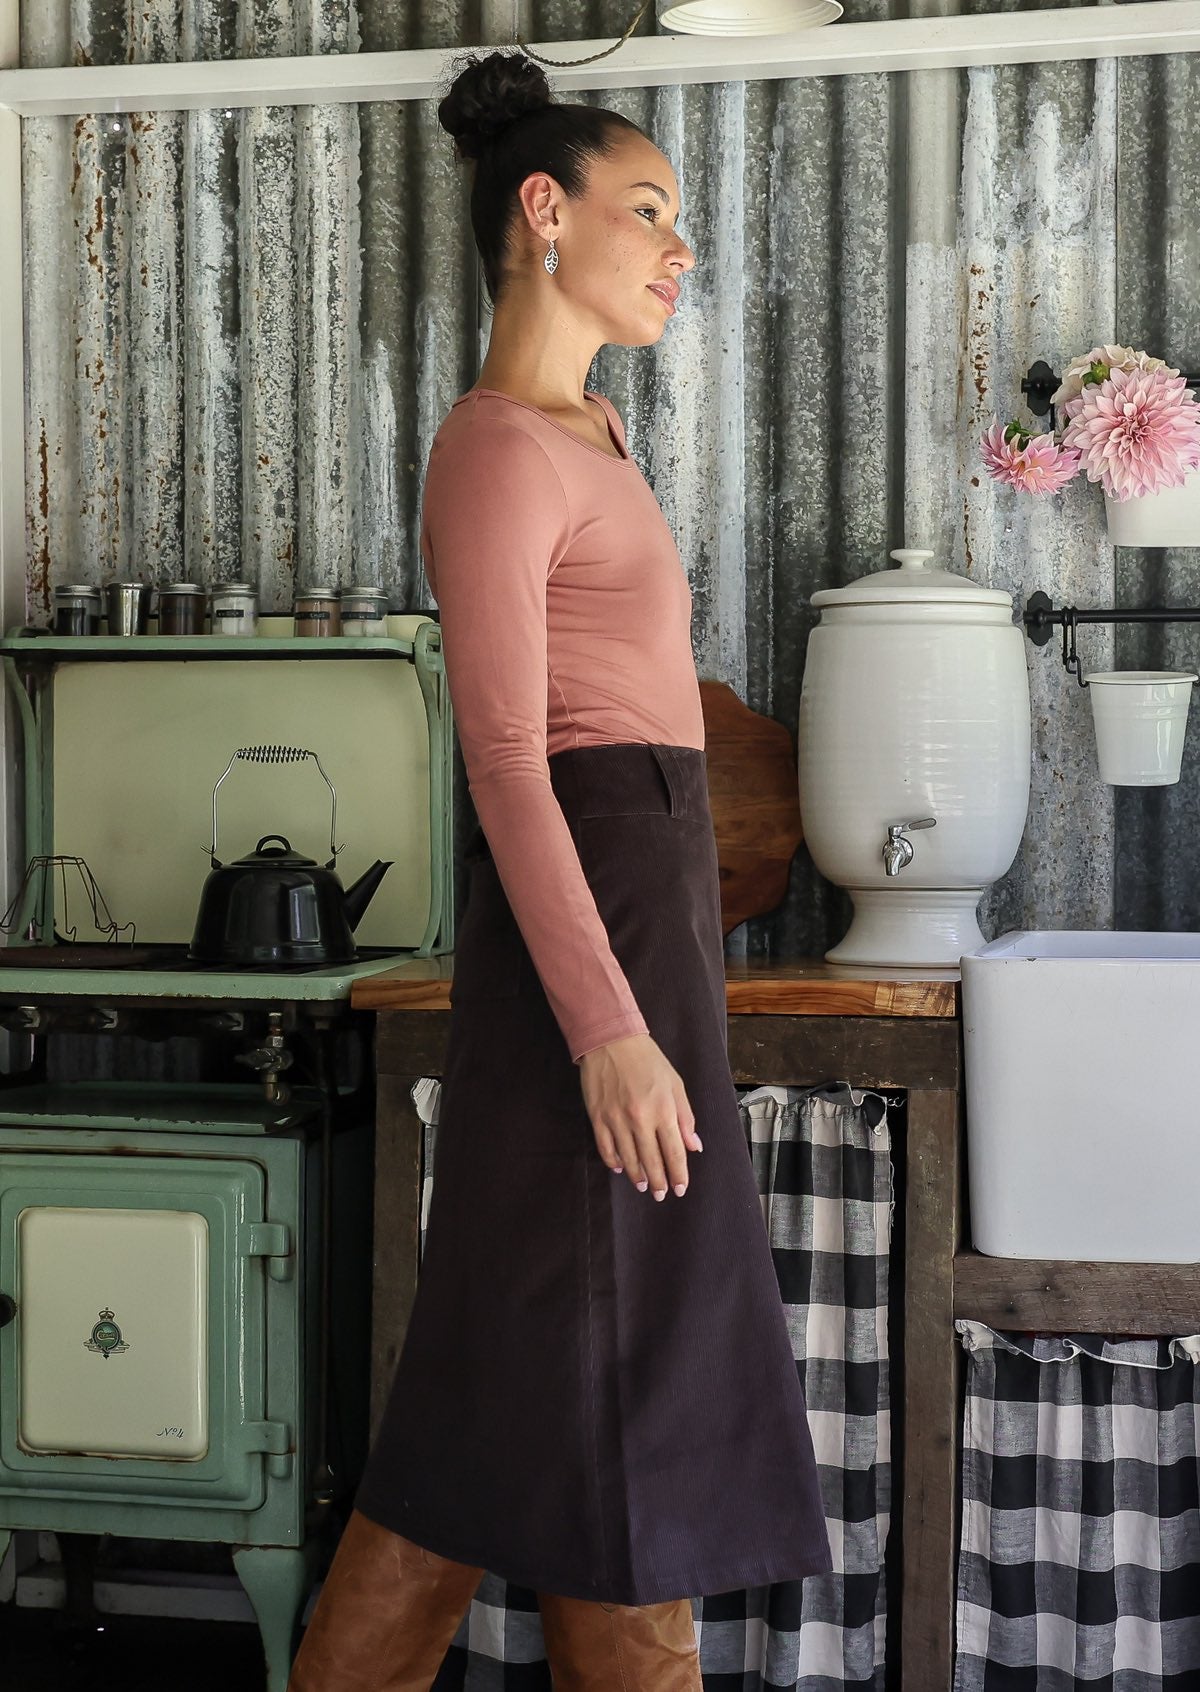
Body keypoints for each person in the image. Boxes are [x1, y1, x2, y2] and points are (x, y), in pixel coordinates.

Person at [287, 46, 831, 1692]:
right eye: (647, 210)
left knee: (528, 1392)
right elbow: (512, 765)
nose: (680, 249)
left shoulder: (591, 430)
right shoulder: (496, 451)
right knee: (601, 1374)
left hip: (638, 924)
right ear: (545, 208)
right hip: (588, 954)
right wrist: (607, 1029)